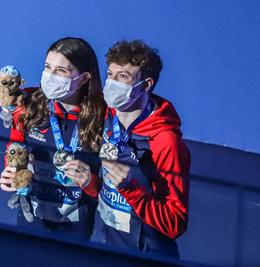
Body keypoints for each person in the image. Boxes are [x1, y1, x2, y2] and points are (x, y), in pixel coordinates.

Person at [82, 40, 190, 257]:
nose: (112, 84)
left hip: (145, 255)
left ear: (146, 85)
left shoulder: (165, 142)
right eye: (110, 74)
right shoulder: (108, 116)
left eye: (123, 77)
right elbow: (106, 191)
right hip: (101, 246)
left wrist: (131, 190)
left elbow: (174, 223)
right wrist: (90, 183)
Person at [0, 37, 106, 240]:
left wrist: (91, 183)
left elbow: (113, 188)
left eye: (61, 71)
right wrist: (11, 172)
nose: (50, 76)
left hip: (75, 226)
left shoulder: (102, 119)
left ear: (83, 79)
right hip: (31, 218)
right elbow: (13, 147)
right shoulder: (28, 109)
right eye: (48, 67)